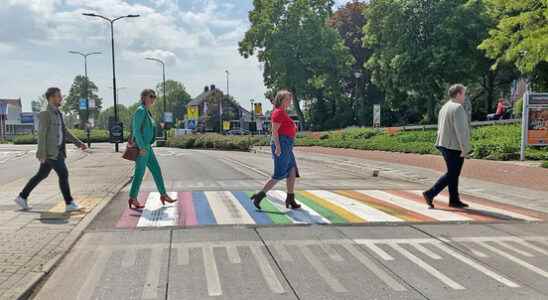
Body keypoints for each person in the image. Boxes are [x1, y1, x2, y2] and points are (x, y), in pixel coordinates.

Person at [14, 87, 87, 212]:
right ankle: (69, 203)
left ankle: (22, 196)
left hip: (58, 150)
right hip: (51, 152)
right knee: (63, 174)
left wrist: (78, 143)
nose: (61, 98)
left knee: (41, 174)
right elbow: (41, 135)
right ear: (51, 98)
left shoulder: (58, 113)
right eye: (59, 96)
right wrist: (41, 153)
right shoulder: (45, 114)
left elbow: (64, 131)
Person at [250, 90, 301, 210]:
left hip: (287, 145)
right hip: (282, 144)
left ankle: (290, 198)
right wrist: (278, 146)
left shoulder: (283, 112)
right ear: (282, 100)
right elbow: (274, 132)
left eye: (290, 99)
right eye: (288, 99)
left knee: (292, 170)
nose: (290, 101)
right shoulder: (278, 113)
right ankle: (259, 196)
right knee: (279, 174)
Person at [423, 84, 471, 209]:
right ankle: (430, 193)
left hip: (443, 144)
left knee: (453, 173)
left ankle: (454, 200)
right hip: (454, 146)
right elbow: (461, 131)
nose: (464, 97)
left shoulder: (444, 107)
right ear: (458, 94)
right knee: (452, 174)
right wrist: (465, 149)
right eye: (464, 94)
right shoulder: (458, 108)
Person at [127, 89, 176, 209]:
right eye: (151, 96)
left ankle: (163, 194)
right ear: (143, 97)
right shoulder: (140, 111)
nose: (153, 98)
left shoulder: (147, 112)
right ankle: (132, 197)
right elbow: (136, 130)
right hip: (142, 147)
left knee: (156, 170)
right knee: (140, 173)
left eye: (154, 96)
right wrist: (142, 146)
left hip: (148, 147)